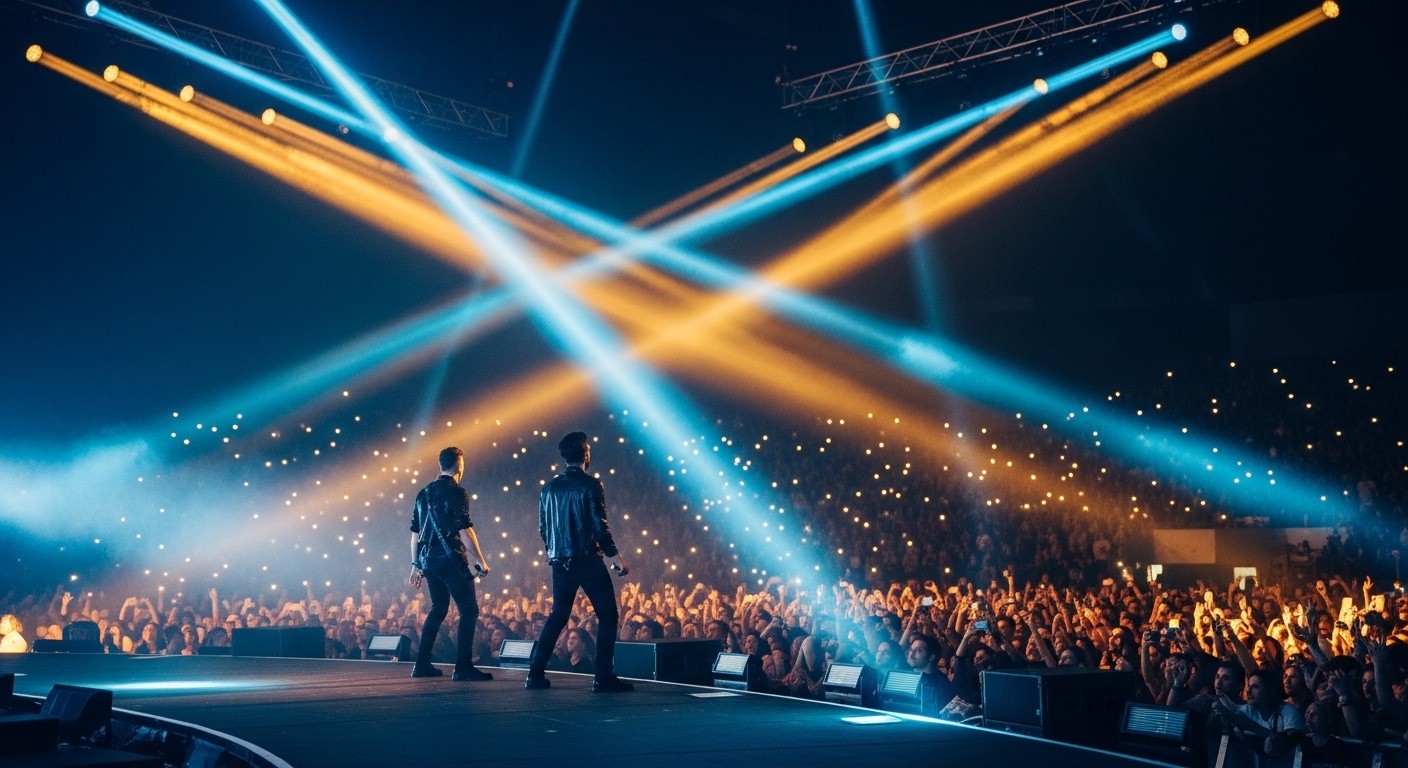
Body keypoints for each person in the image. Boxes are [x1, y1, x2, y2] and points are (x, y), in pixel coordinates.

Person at [525, 431, 633, 693]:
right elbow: (599, 525)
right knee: (608, 616)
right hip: (586, 557)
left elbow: (543, 527)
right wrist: (615, 558)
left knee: (559, 615)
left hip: (559, 560)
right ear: (585, 454)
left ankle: (535, 674)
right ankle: (603, 677)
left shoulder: (548, 488)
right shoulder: (591, 484)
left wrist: (555, 551)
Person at [408, 446, 492, 681]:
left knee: (438, 608)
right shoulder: (457, 492)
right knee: (469, 609)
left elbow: (415, 533)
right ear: (458, 465)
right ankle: (463, 667)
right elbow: (464, 530)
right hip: (451, 559)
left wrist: (415, 564)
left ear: (440, 464)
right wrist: (481, 561)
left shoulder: (423, 493)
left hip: (428, 562)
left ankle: (421, 664)